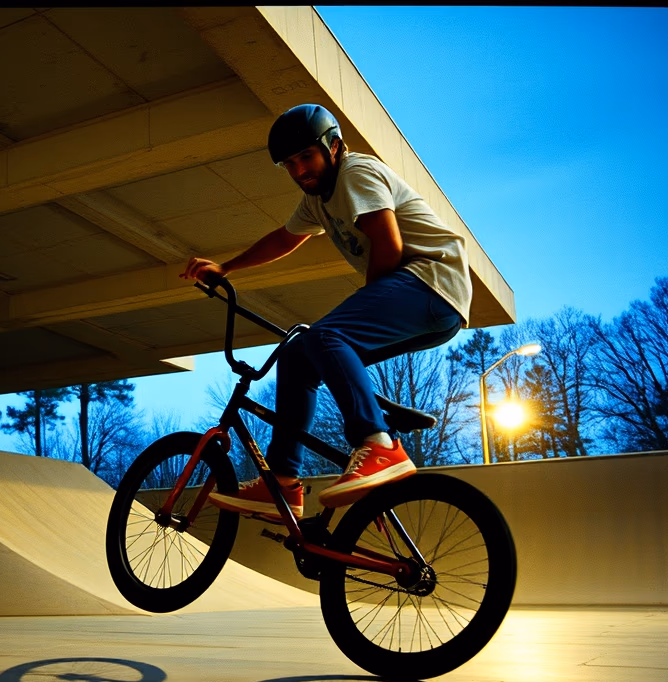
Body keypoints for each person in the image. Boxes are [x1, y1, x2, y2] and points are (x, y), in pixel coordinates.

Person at [179, 104, 472, 521]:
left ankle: (380, 445)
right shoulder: (317, 200)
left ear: (332, 147)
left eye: (306, 157)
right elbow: (284, 238)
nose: (300, 171)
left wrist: (363, 312)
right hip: (426, 303)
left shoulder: (356, 173)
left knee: (323, 337)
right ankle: (281, 483)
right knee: (298, 355)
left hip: (431, 282)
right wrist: (226, 267)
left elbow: (387, 245)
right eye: (289, 164)